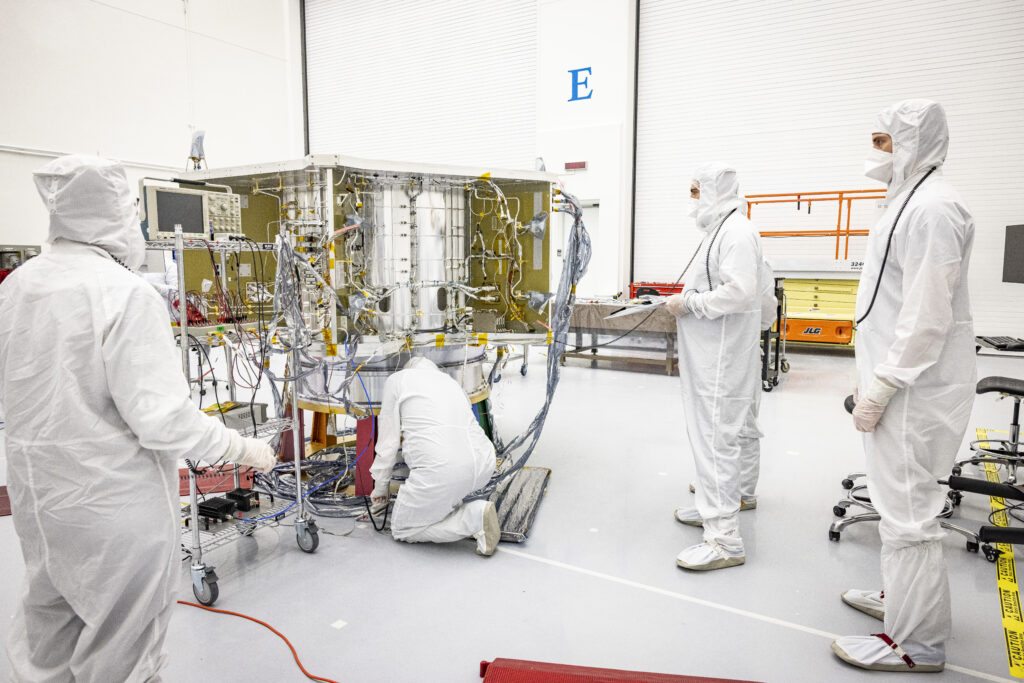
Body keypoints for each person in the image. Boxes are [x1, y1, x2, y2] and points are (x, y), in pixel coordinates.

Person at [0, 154, 277, 682]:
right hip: (112, 508)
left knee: (47, 642)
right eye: (131, 208)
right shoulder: (124, 293)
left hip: (40, 503)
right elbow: (162, 419)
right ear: (110, 212)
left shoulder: (17, 286)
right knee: (120, 653)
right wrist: (242, 449)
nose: (138, 223)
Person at [831, 100, 976, 673]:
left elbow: (926, 314)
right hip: (899, 385)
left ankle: (917, 644)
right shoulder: (907, 201)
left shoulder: (936, 208)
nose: (876, 151)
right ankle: (900, 601)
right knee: (895, 504)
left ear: (914, 141)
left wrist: (884, 385)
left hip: (914, 391)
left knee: (910, 512)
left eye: (884, 140)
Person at [664, 163, 771, 571]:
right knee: (729, 433)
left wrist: (688, 303)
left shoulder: (737, 233)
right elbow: (763, 301)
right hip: (721, 353)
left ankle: (724, 538)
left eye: (695, 190)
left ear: (713, 191)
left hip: (720, 358)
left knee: (715, 439)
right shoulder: (725, 231)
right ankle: (725, 503)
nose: (691, 199)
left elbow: (742, 293)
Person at [370, 356, 500, 555]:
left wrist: (380, 490)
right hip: (484, 462)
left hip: (445, 471)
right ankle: (447, 503)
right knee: (446, 482)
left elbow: (388, 444)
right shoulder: (451, 383)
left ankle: (473, 517)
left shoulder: (397, 380)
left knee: (403, 528)